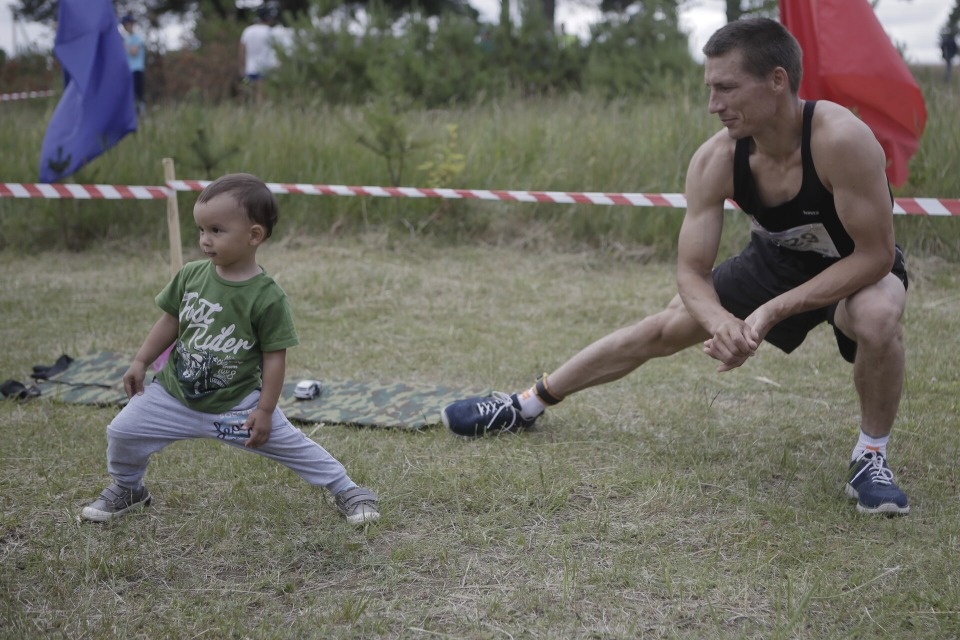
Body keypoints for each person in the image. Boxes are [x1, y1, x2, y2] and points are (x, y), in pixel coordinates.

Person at [441, 18, 910, 516]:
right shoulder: (716, 159)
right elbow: (691, 274)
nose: (714, 105)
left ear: (777, 80)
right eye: (710, 89)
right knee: (666, 325)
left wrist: (771, 311)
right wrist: (720, 322)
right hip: (774, 261)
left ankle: (870, 456)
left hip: (853, 266)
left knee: (877, 316)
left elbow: (876, 255)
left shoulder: (842, 139)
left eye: (727, 88)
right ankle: (527, 403)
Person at [81, 173, 380, 526]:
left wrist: (265, 411)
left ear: (254, 235)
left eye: (216, 231)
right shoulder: (191, 275)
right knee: (122, 432)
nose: (204, 240)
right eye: (201, 230)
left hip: (237, 405)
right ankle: (129, 488)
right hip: (174, 394)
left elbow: (274, 357)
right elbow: (170, 321)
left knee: (295, 447)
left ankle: (346, 488)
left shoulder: (267, 297)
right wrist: (141, 360)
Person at [238, 6, 279, 105]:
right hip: (266, 68)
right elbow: (276, 50)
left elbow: (241, 50)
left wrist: (241, 67)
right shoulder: (270, 31)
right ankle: (261, 115)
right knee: (261, 95)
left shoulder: (248, 30)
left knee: (250, 95)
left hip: (250, 68)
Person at [120, 14, 146, 114]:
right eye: (123, 25)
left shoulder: (137, 38)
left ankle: (142, 113)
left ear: (131, 24)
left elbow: (134, 53)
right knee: (130, 94)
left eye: (126, 24)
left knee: (139, 93)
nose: (125, 27)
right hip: (128, 71)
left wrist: (125, 45)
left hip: (137, 70)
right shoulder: (126, 39)